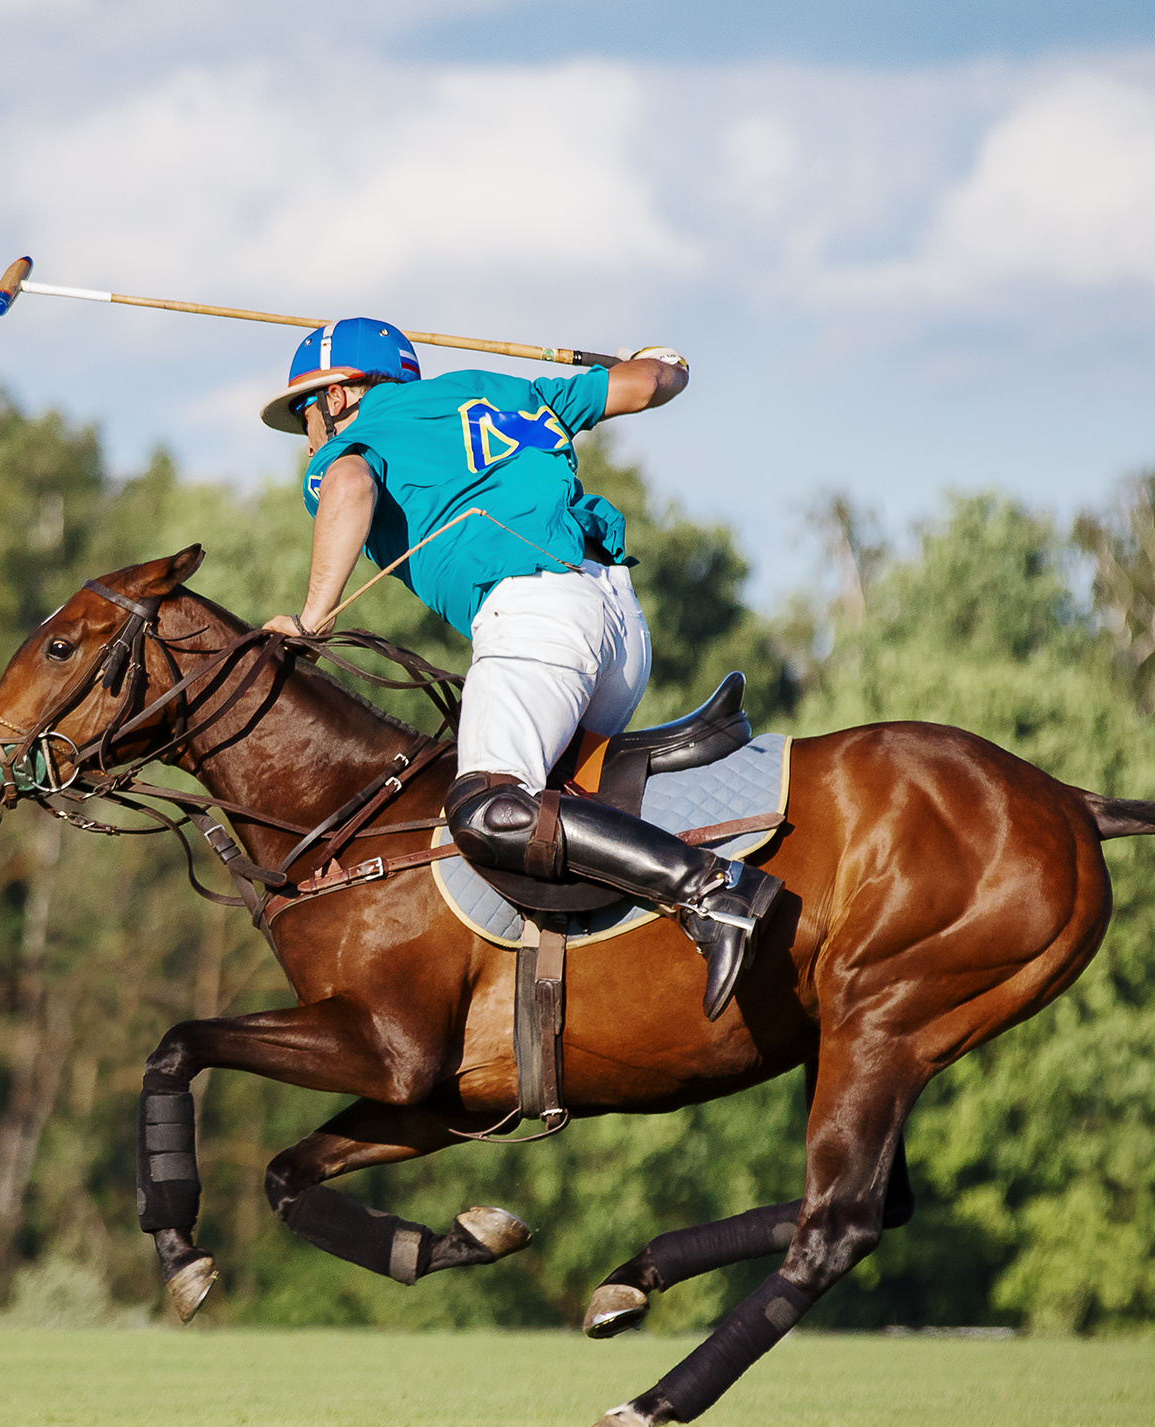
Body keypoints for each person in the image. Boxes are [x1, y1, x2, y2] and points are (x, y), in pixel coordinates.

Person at [259, 318, 775, 1021]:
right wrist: (664, 357)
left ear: (345, 393)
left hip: (538, 617)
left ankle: (713, 893)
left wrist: (313, 616)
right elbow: (653, 382)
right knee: (552, 802)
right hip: (621, 625)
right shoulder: (512, 390)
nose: (307, 430)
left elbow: (349, 484)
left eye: (306, 407)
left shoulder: (354, 442)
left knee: (483, 808)